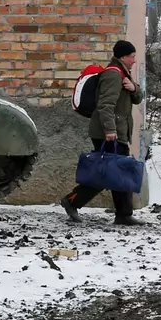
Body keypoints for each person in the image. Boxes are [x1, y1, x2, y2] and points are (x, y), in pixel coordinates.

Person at [62, 39, 144, 225]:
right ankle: (72, 201)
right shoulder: (113, 75)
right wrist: (110, 130)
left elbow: (137, 98)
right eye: (131, 56)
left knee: (117, 172)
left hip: (117, 130)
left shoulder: (124, 73)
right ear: (123, 56)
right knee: (108, 172)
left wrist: (134, 88)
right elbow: (105, 106)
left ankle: (124, 214)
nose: (133, 60)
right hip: (108, 132)